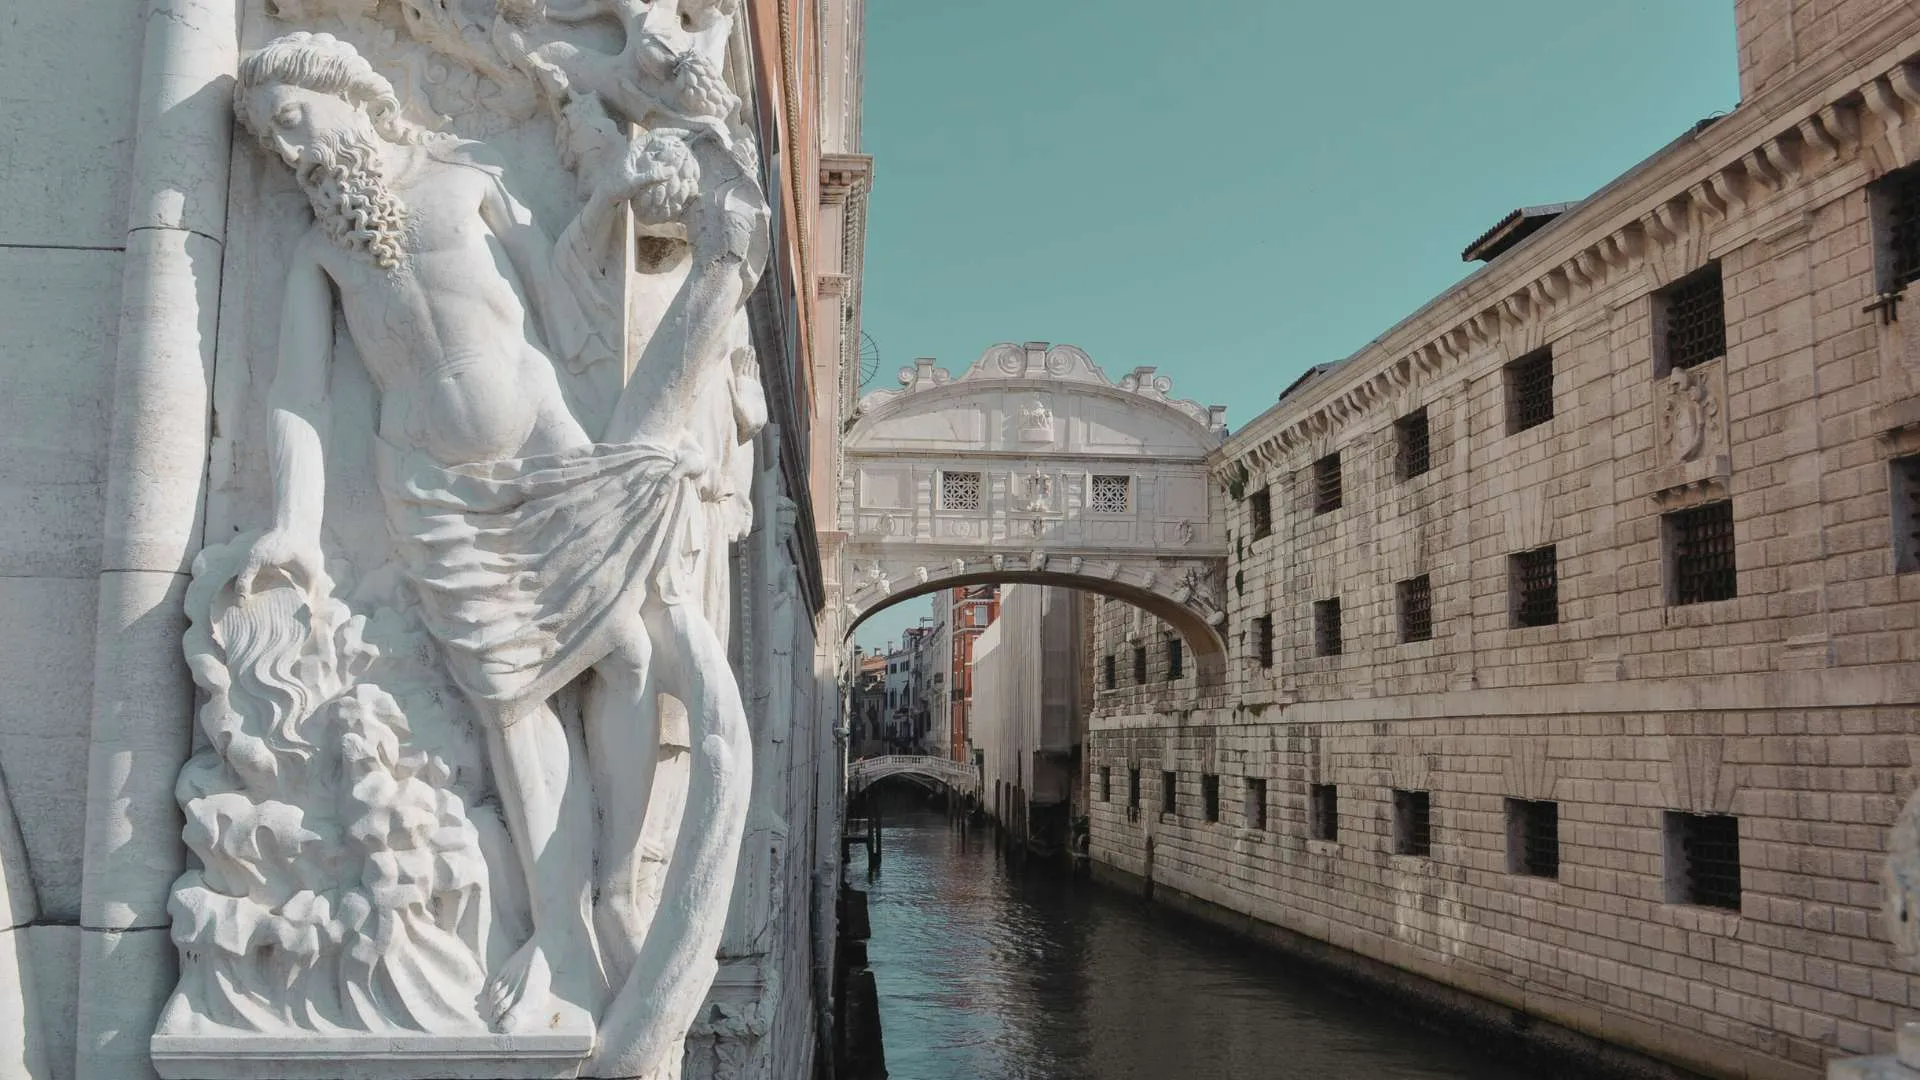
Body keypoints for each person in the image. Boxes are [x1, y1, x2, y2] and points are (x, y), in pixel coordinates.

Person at [228, 32, 758, 1047]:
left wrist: (614, 201)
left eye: (292, 120)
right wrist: (294, 525)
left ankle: (613, 886)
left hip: (549, 452)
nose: (288, 152)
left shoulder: (465, 179)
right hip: (433, 491)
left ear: (349, 94)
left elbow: (565, 295)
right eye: (267, 140)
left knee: (632, 652)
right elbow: (295, 393)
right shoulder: (321, 249)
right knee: (513, 701)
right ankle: (555, 931)